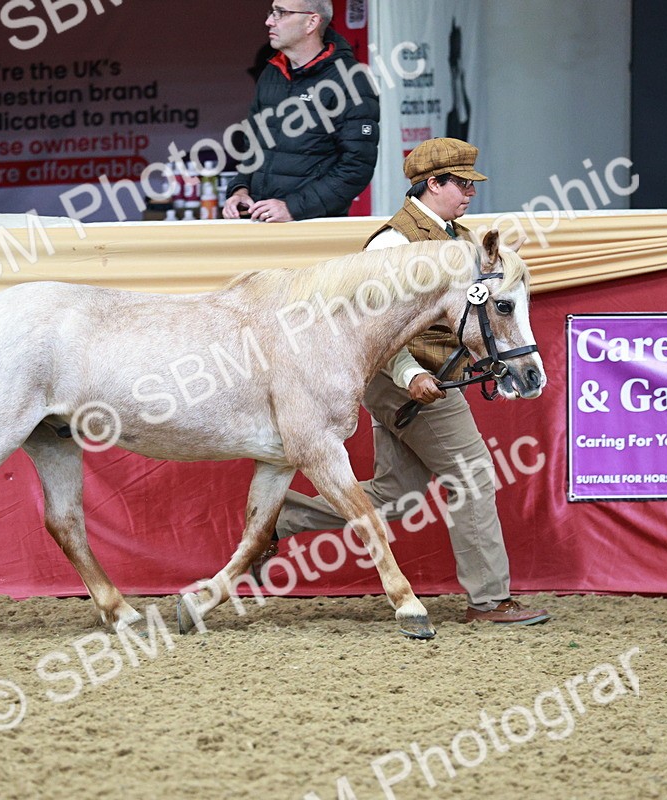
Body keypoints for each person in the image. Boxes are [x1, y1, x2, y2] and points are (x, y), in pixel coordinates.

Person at [260, 138, 552, 626]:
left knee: (396, 494)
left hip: (419, 378)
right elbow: (369, 327)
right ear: (432, 184)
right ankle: (489, 600)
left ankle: (278, 516)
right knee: (474, 475)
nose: (469, 193)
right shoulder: (393, 244)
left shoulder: (458, 239)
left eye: (470, 184)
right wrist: (410, 374)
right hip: (407, 379)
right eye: (460, 184)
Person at [222, 1, 379, 223]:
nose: (269, 21)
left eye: (281, 13)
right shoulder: (271, 72)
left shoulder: (351, 80)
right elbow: (253, 147)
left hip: (314, 229)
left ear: (311, 22)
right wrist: (240, 190)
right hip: (260, 225)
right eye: (272, 12)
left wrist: (293, 208)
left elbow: (356, 167)